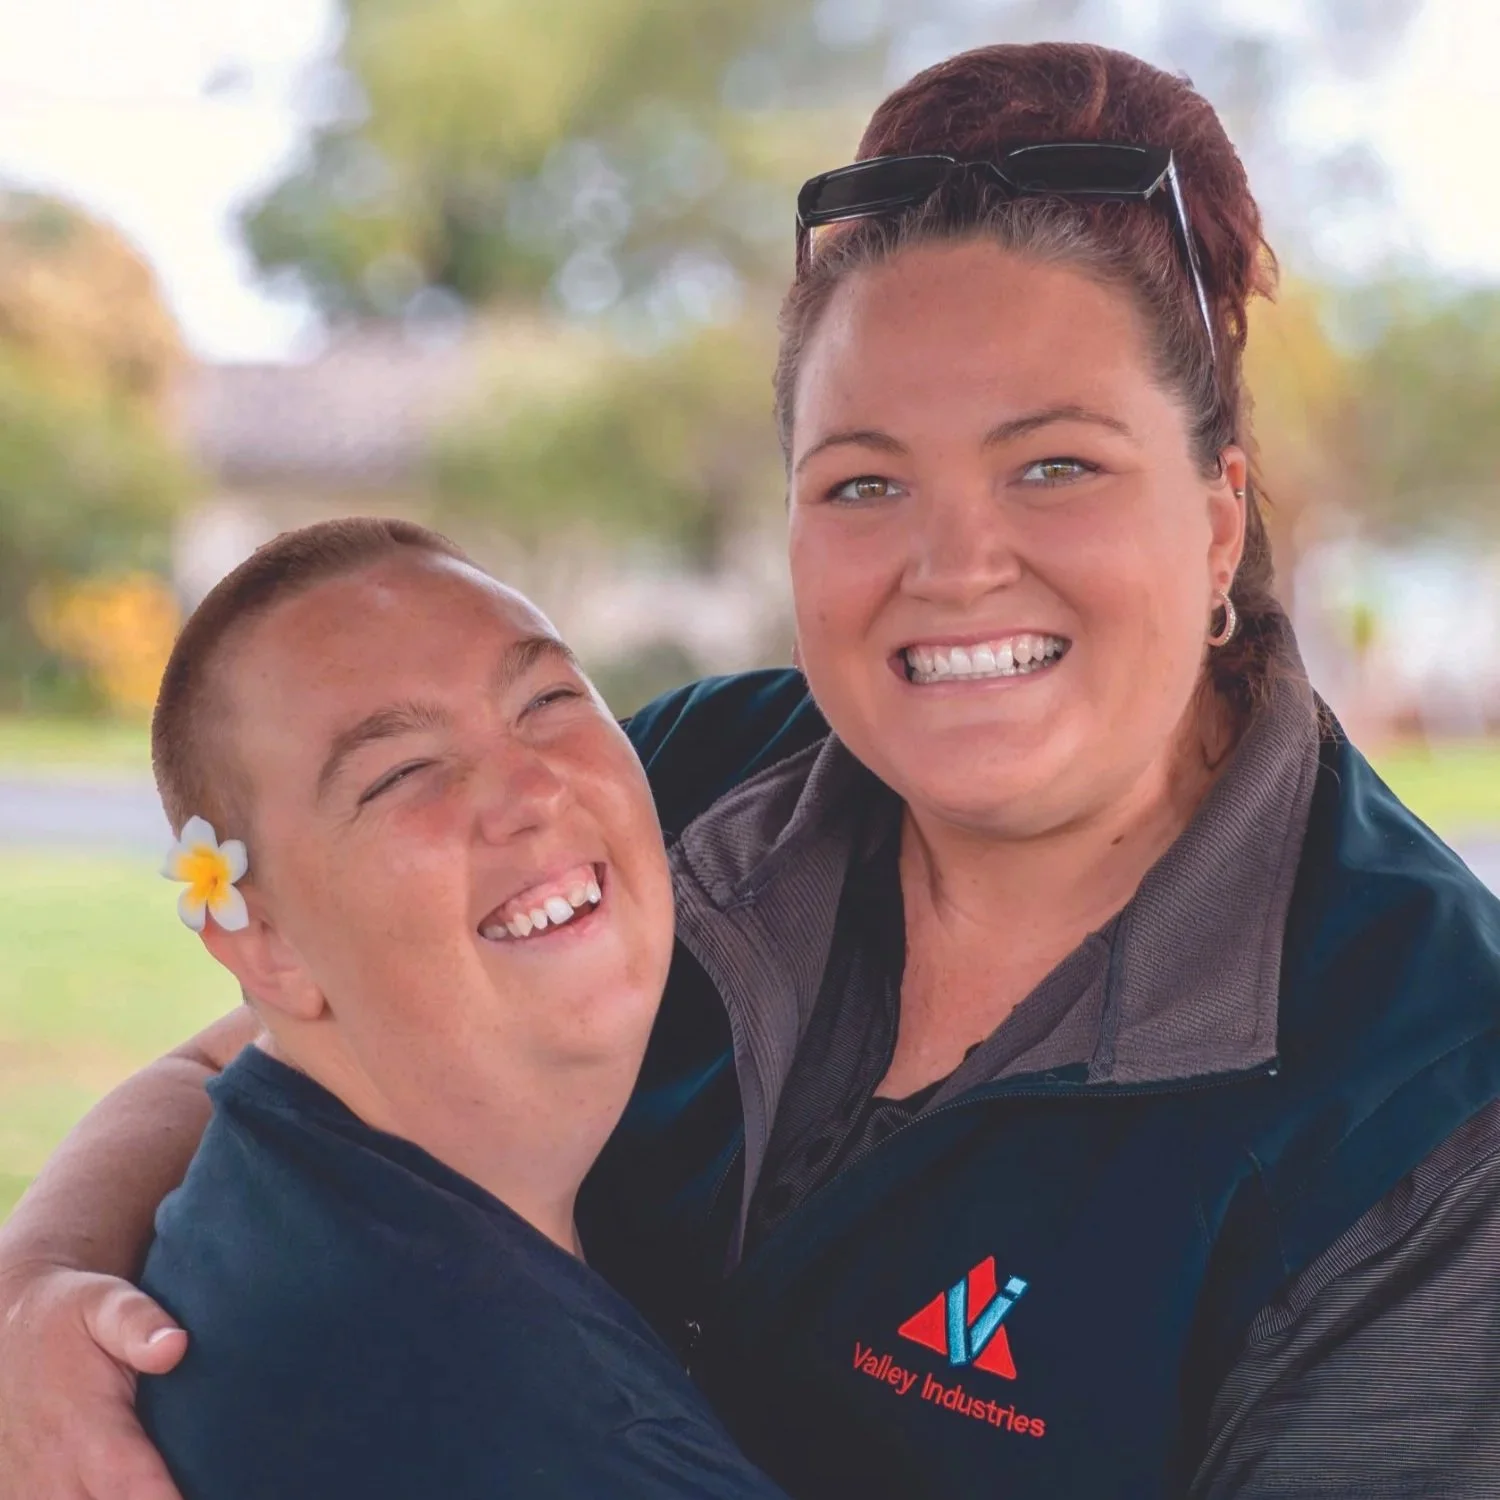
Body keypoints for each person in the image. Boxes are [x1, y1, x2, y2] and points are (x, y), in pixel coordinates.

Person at [2, 39, 1499, 1500]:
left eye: (1056, 465)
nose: (955, 563)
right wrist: (37, 1283)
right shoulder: (688, 781)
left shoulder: (1431, 1092)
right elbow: (255, 1057)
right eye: (863, 481)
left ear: (1218, 512)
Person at [114, 518, 788, 1499]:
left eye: (549, 699)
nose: (531, 786)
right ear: (262, 941)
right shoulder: (543, 1434)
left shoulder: (258, 1201)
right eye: (399, 772)